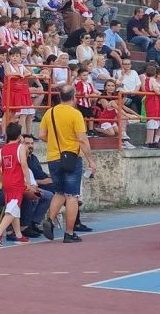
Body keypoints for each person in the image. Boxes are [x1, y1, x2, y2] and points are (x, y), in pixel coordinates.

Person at [38, 84, 96, 243]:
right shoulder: (75, 114)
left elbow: (42, 134)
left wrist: (55, 143)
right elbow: (83, 140)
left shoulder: (50, 112)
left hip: (53, 157)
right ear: (73, 97)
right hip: (71, 157)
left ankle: (50, 219)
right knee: (72, 196)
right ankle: (69, 233)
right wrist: (91, 160)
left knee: (59, 192)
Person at [0, 122, 32, 246]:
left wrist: (3, 178)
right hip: (16, 182)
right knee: (12, 209)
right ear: (19, 136)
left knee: (14, 208)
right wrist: (28, 182)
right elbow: (24, 165)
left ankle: (18, 235)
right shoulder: (21, 147)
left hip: (6, 181)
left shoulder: (3, 149)